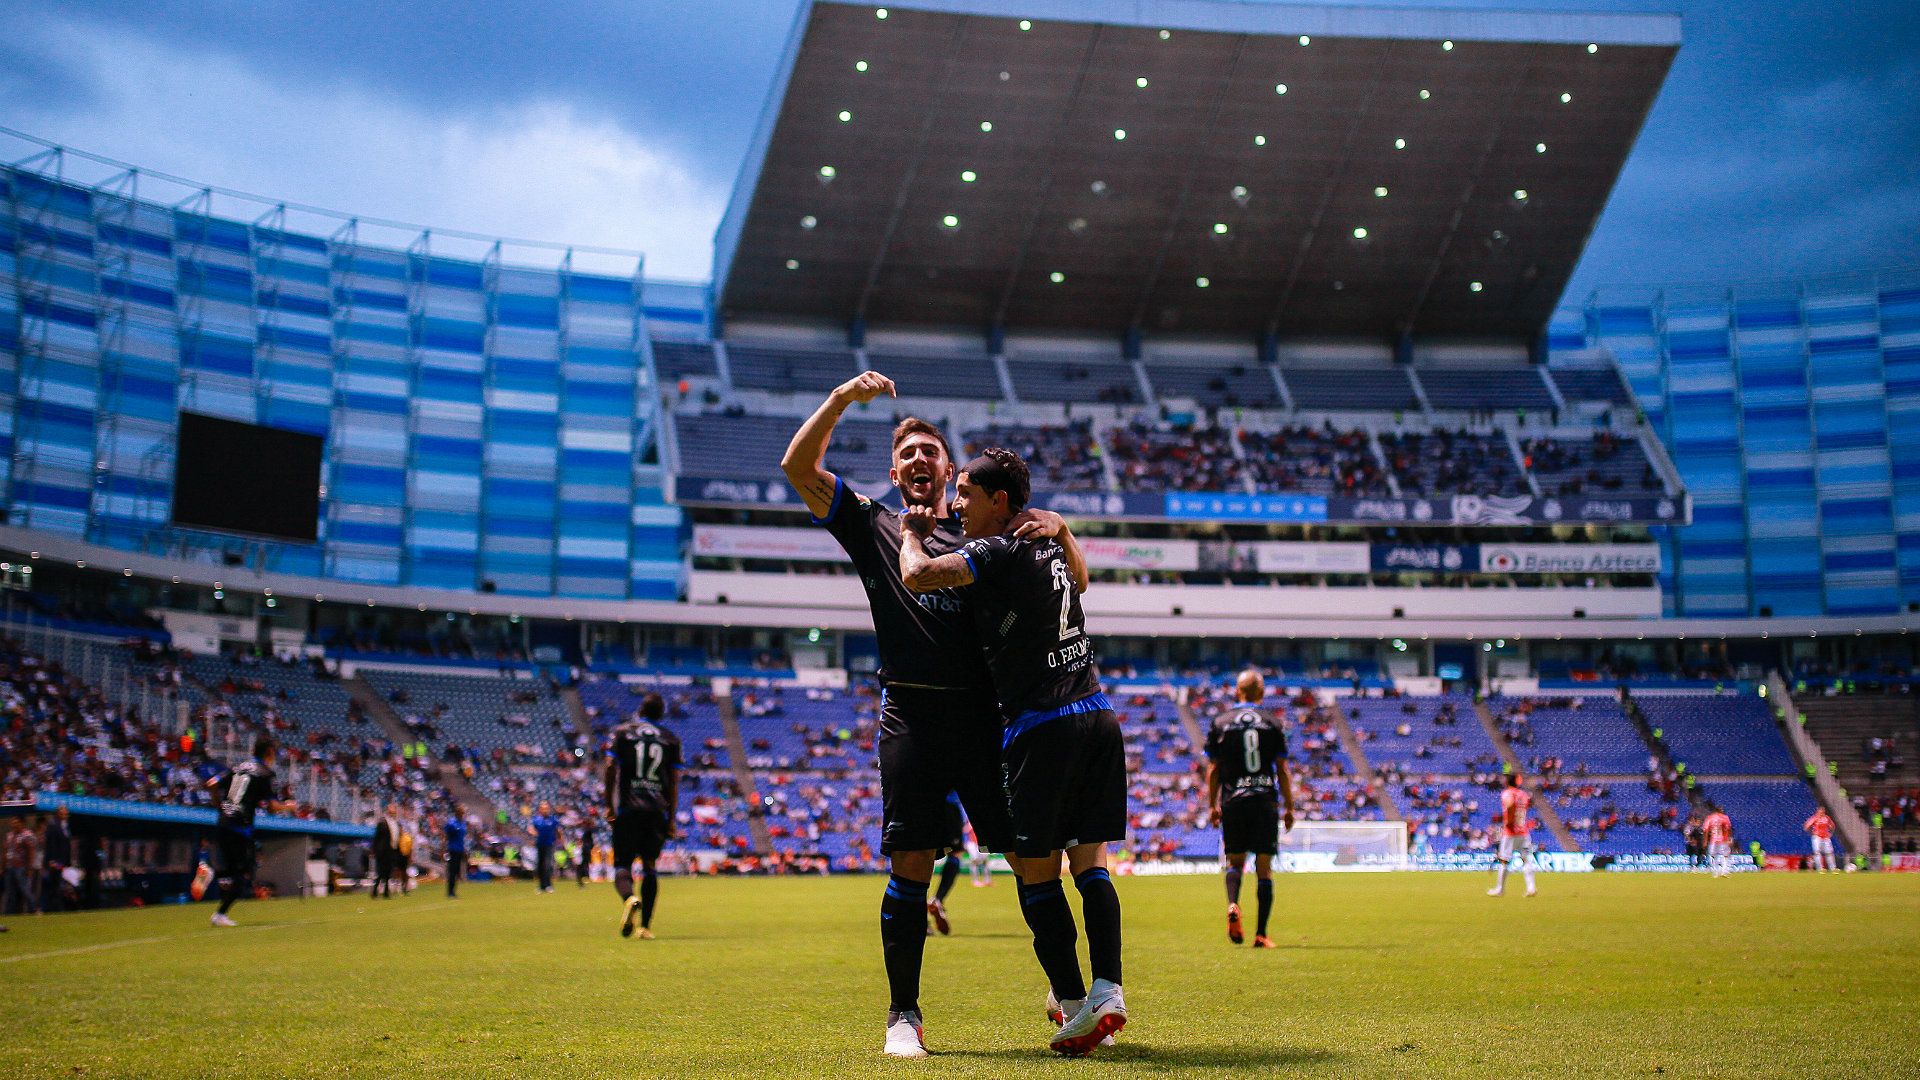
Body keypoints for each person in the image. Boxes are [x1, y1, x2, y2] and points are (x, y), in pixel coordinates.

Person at [781, 371, 1023, 1060]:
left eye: (931, 452)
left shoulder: (983, 533)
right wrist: (839, 400)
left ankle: (1069, 996)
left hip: (983, 717)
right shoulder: (871, 522)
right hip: (911, 716)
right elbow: (797, 467)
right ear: (895, 470)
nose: (920, 460)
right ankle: (903, 1017)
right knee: (912, 862)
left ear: (951, 471)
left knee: (1031, 854)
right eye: (909, 453)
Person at [900, 446, 1127, 1057]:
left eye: (966, 496)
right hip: (1098, 713)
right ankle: (1108, 990)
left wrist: (910, 534)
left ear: (999, 502)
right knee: (1092, 864)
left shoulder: (995, 549)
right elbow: (1080, 581)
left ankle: (1074, 1000)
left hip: (1043, 726)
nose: (955, 505)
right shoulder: (1050, 542)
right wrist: (1068, 527)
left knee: (1036, 871)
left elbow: (918, 577)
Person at [1205, 668, 1295, 948]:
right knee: (1264, 868)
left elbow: (1213, 770)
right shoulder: (1272, 722)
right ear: (1262, 692)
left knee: (1235, 862)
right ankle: (1261, 934)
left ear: (1237, 691)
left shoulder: (1221, 722)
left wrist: (1212, 805)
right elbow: (1282, 769)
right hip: (1264, 799)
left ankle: (1233, 904)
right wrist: (1290, 806)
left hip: (1233, 800)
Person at [608, 692, 682, 940]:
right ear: (662, 714)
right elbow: (673, 783)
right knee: (650, 866)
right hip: (656, 811)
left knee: (622, 866)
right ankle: (645, 927)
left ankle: (630, 898)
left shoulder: (622, 733)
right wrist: (671, 819)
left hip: (628, 810)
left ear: (640, 711)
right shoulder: (671, 739)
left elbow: (610, 767)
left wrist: (610, 805)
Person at [198, 735, 291, 926]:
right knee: (246, 874)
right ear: (269, 752)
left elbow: (212, 784)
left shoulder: (238, 767)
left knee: (235, 871)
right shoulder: (265, 773)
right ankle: (220, 914)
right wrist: (290, 806)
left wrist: (220, 806)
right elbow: (272, 807)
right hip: (241, 826)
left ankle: (211, 872)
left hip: (224, 821)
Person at [1487, 773, 1537, 898]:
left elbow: (1509, 806)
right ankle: (1531, 888)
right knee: (1526, 859)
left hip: (1510, 832)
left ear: (1507, 782)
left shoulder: (1508, 793)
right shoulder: (1523, 794)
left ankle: (1500, 889)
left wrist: (1508, 822)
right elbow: (1528, 805)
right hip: (1523, 832)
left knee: (1504, 861)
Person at [928, 793, 966, 936]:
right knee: (955, 854)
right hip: (949, 802)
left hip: (921, 801)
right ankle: (938, 899)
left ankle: (920, 922)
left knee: (921, 857)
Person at [3, 816, 40, 916]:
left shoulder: (27, 835)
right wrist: (3, 867)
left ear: (22, 823)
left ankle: (34, 909)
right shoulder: (9, 835)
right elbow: (5, 851)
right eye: (13, 823)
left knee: (25, 889)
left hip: (21, 867)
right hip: (10, 866)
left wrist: (29, 868)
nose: (14, 824)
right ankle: (11, 912)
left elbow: (31, 852)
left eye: (16, 823)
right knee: (10, 891)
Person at [41, 806, 72, 913]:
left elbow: (66, 845)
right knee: (52, 884)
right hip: (55, 862)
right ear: (58, 814)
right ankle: (48, 908)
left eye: (66, 813)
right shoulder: (53, 825)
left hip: (62, 861)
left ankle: (56, 908)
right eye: (62, 813)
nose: (65, 815)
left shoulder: (65, 826)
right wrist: (52, 860)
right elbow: (51, 844)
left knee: (58, 883)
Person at [370, 805, 400, 899]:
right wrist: (374, 850)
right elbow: (377, 837)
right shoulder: (382, 822)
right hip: (383, 850)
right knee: (381, 871)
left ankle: (385, 891)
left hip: (391, 850)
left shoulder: (395, 823)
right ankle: (375, 889)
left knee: (388, 871)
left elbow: (396, 837)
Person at [530, 802, 560, 893]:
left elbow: (557, 830)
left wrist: (560, 839)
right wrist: (534, 833)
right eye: (543, 808)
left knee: (547, 865)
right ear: (540, 810)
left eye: (546, 808)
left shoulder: (553, 819)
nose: (545, 810)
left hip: (549, 845)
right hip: (540, 845)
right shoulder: (537, 820)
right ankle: (541, 886)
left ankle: (548, 885)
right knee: (540, 866)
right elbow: (531, 828)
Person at [1703, 805, 1734, 878]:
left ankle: (1715, 872)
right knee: (1726, 855)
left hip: (1713, 840)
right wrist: (1730, 838)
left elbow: (1705, 830)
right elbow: (1729, 828)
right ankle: (1724, 871)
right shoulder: (1725, 817)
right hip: (1723, 840)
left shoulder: (1710, 817)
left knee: (1713, 856)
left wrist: (1705, 841)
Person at [1804, 808, 1838, 873]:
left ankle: (1833, 868)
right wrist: (1812, 833)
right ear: (1817, 812)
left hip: (1826, 837)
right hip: (1817, 837)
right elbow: (1806, 826)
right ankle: (1820, 868)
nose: (1822, 813)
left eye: (1823, 811)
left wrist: (1830, 833)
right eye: (1820, 811)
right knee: (1817, 852)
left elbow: (1832, 826)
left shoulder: (1826, 818)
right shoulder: (1814, 818)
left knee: (1829, 852)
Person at [444, 813, 469, 898]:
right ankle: (450, 891)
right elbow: (446, 835)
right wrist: (444, 847)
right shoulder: (452, 823)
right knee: (452, 871)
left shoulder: (463, 823)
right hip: (453, 849)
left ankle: (453, 891)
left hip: (460, 850)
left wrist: (464, 849)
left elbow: (462, 839)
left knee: (457, 871)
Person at [577, 816, 596, 889]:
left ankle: (583, 878)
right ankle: (583, 878)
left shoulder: (586, 830)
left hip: (585, 849)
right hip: (584, 850)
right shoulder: (586, 830)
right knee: (582, 865)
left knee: (584, 864)